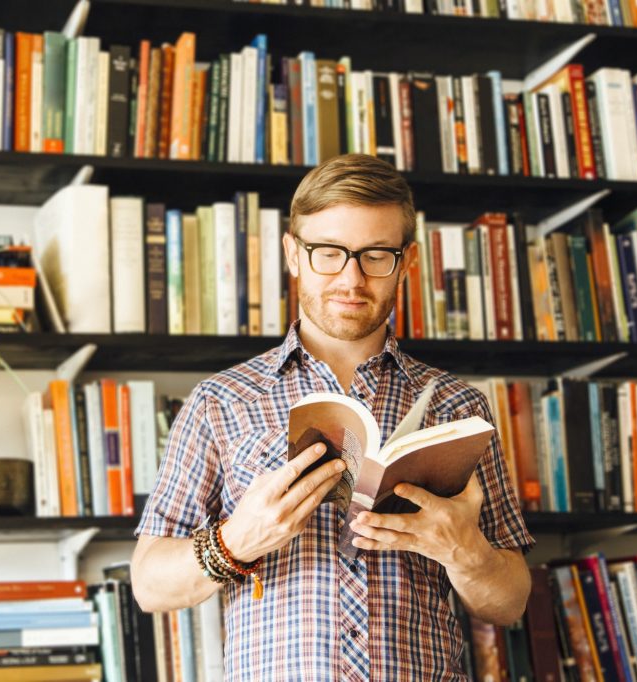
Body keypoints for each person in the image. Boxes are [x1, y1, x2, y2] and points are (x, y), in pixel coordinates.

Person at [131, 154, 534, 680]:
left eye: (375, 255)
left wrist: (466, 553)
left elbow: (509, 603)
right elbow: (148, 584)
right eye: (328, 253)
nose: (351, 279)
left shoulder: (459, 407)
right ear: (293, 254)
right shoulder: (219, 400)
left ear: (406, 261)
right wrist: (237, 541)